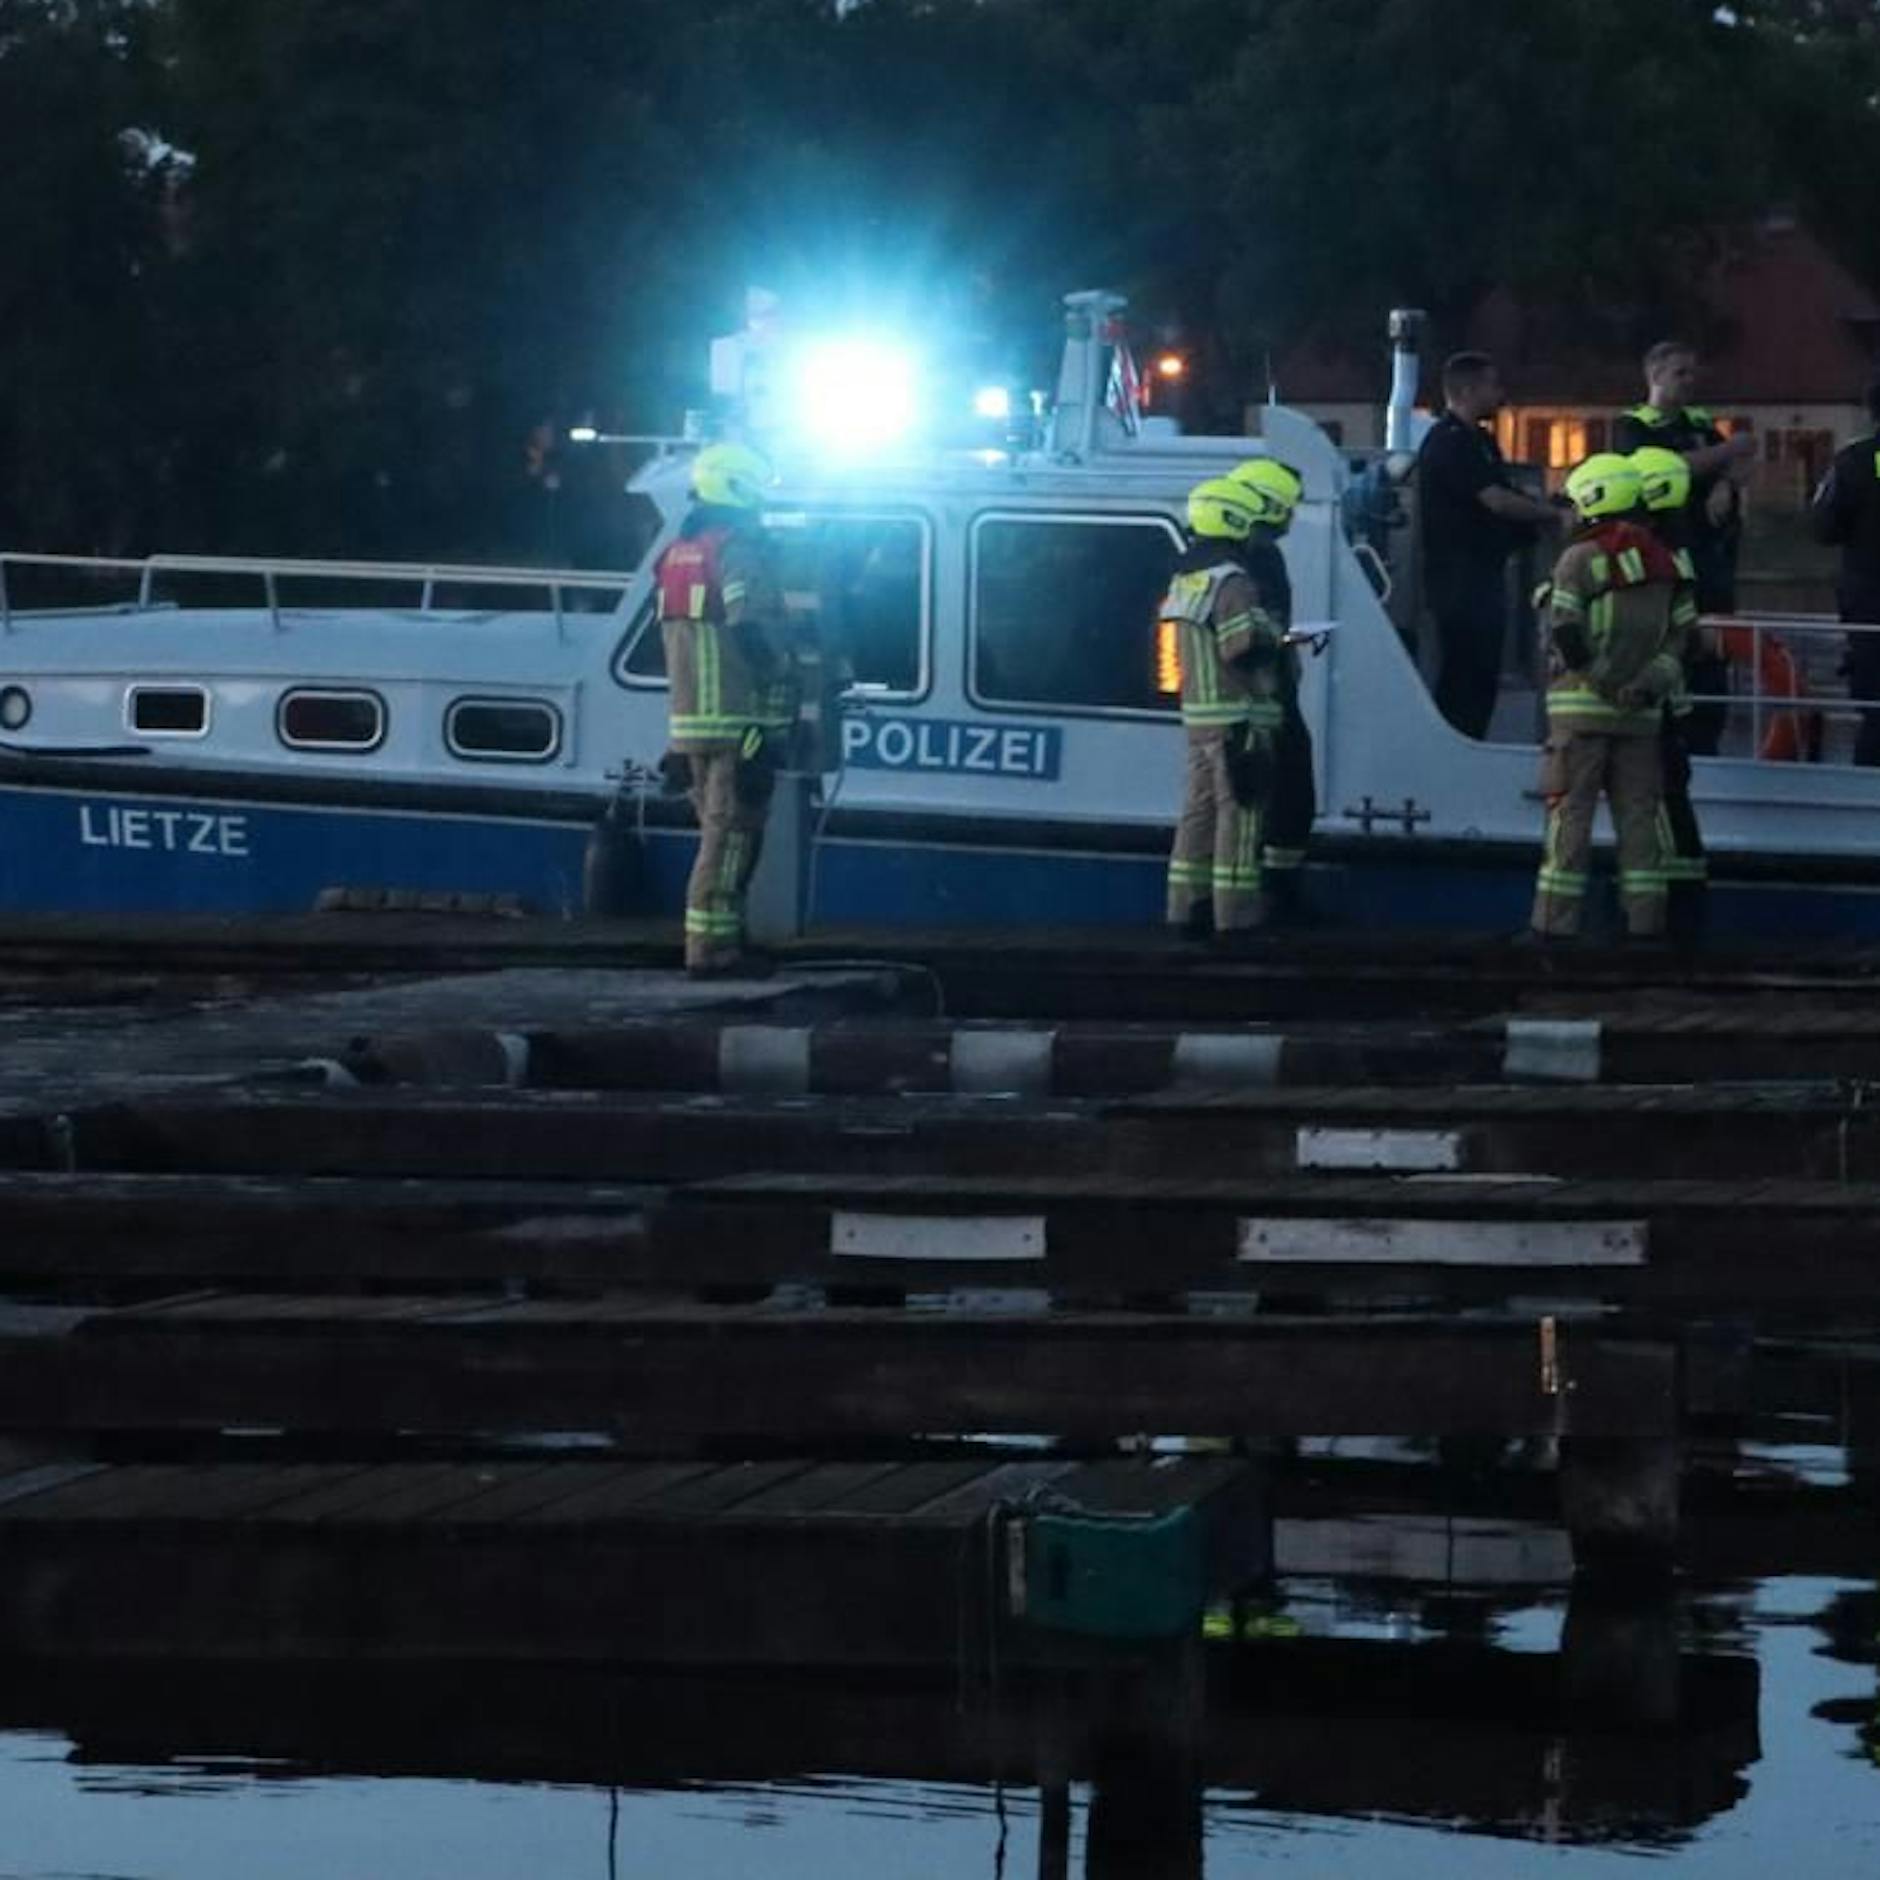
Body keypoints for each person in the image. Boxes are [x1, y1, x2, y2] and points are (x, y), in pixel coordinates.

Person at [1530, 453, 1696, 944]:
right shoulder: (1670, 563)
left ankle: (1553, 926)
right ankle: (1645, 925)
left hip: (1580, 715)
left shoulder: (1579, 559)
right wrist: (1646, 684)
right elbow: (1682, 641)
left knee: (1570, 819)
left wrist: (1603, 680)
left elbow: (1565, 632)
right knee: (1640, 822)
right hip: (1641, 717)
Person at [655, 441, 789, 977]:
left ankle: (725, 939)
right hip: (740, 722)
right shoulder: (737, 550)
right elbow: (748, 622)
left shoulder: (677, 553)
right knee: (731, 840)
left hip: (692, 722)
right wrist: (781, 667)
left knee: (719, 837)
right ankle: (711, 951)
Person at [1160, 474, 1293, 943]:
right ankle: (1235, 920)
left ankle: (1186, 909)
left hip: (1200, 716)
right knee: (1241, 819)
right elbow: (1240, 644)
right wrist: (1277, 634)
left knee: (1197, 816)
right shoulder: (1232, 581)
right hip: (1240, 718)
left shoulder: (1186, 580)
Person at [1615, 342, 1758, 754]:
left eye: (1693, 373)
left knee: (1713, 657)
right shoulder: (1634, 427)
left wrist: (1725, 483)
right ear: (1655, 375)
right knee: (1670, 653)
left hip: (1711, 559)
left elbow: (1744, 460)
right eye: (1680, 373)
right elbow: (1671, 467)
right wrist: (1728, 451)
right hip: (1664, 559)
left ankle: (1707, 741)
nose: (1690, 381)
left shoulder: (1699, 423)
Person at [1416, 352, 1562, 739]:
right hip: (1458, 581)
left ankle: (1471, 740)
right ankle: (1456, 746)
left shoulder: (1479, 441)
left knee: (1483, 675)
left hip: (1484, 576)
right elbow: (1496, 499)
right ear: (1467, 390)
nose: (1501, 394)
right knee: (1464, 675)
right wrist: (1549, 515)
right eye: (1493, 385)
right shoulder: (1449, 443)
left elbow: (1506, 491)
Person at [1227, 457, 1315, 924]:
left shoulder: (1256, 557)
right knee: (1267, 796)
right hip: (1256, 697)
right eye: (1287, 507)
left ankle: (1278, 891)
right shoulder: (1247, 562)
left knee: (1290, 790)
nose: (1291, 517)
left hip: (1273, 689)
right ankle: (1263, 902)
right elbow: (1249, 630)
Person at [1630, 444, 1710, 946]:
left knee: (1660, 801)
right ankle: (1684, 906)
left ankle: (1673, 915)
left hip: (1652, 702)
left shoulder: (1647, 558)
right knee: (1673, 799)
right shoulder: (1676, 552)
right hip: (1672, 700)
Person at [1808, 380, 1880, 767]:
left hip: (1869, 600)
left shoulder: (1856, 460)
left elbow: (1823, 527)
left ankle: (1868, 788)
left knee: (1875, 710)